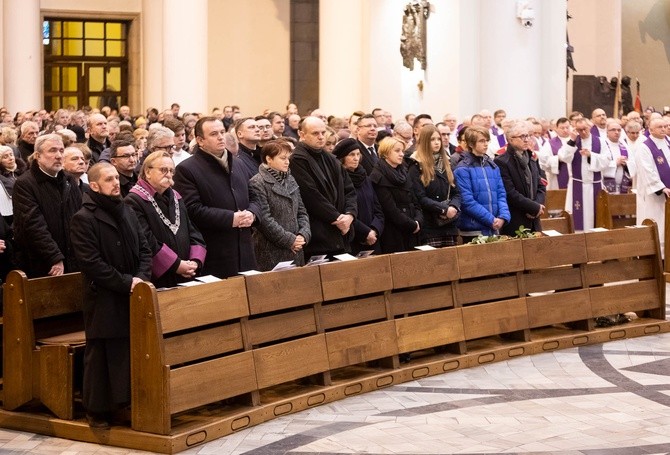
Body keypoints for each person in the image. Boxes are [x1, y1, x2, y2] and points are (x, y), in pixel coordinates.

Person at [70, 162, 151, 429]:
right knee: (103, 353)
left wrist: (140, 278)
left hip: (133, 292)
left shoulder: (126, 210)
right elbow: (91, 263)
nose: (116, 183)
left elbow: (144, 248)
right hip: (104, 296)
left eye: (116, 178)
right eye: (109, 179)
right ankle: (97, 410)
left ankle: (124, 403)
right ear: (94, 186)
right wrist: (127, 282)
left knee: (127, 350)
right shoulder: (84, 218)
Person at [173, 116, 259, 278]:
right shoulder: (187, 169)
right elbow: (192, 210)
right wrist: (230, 218)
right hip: (216, 253)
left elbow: (254, 196)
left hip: (245, 250)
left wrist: (253, 213)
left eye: (222, 132)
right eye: (213, 134)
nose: (220, 137)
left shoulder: (238, 163)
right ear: (200, 140)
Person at [125, 151, 206, 288]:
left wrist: (195, 261)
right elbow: (145, 240)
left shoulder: (176, 197)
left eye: (171, 171)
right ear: (148, 172)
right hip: (158, 277)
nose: (168, 174)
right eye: (163, 170)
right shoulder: (134, 200)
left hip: (185, 272)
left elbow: (191, 230)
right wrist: (176, 265)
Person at [12, 134, 82, 277]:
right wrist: (54, 257)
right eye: (52, 150)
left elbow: (81, 218)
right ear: (38, 155)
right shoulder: (25, 184)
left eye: (61, 151)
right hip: (43, 262)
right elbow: (33, 225)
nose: (58, 155)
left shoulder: (69, 180)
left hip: (73, 259)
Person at [290, 116, 358, 259]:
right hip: (319, 236)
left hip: (342, 232)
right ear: (302, 134)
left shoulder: (331, 158)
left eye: (322, 132)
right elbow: (311, 196)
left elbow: (349, 190)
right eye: (315, 133)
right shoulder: (297, 159)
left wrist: (350, 215)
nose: (321, 137)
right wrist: (338, 219)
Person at [248, 140, 311, 271]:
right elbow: (264, 219)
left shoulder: (290, 178)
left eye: (288, 158)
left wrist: (303, 235)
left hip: (297, 248)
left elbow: (302, 211)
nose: (287, 162)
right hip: (271, 250)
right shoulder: (257, 182)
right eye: (283, 158)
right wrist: (290, 240)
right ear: (269, 159)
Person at [454, 126, 510, 242]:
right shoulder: (463, 168)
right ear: (471, 143)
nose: (486, 144)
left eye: (486, 141)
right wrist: (491, 220)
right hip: (473, 229)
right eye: (481, 141)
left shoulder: (492, 166)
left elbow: (501, 194)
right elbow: (467, 201)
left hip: (494, 228)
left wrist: (503, 216)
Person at [408, 125, 461, 247]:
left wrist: (453, 206)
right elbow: (420, 197)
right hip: (430, 225)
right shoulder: (416, 165)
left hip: (449, 223)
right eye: (432, 140)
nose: (437, 143)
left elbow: (456, 192)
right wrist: (443, 209)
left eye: (438, 139)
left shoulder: (447, 162)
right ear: (425, 142)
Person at [370, 137, 423, 253]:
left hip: (412, 227)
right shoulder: (378, 175)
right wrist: (412, 225)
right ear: (386, 152)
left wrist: (418, 221)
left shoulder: (403, 171)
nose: (401, 154)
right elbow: (390, 209)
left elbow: (415, 201)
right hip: (394, 232)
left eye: (402, 151)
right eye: (397, 151)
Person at [558, 117, 611, 231]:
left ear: (590, 127)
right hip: (577, 186)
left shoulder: (600, 141)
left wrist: (591, 155)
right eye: (579, 129)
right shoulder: (572, 141)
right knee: (577, 219)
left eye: (585, 129)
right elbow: (563, 157)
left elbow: (607, 160)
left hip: (595, 185)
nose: (582, 132)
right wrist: (572, 141)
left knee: (596, 218)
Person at [494, 121, 546, 235]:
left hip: (534, 220)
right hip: (516, 219)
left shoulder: (531, 157)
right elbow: (510, 192)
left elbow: (541, 185)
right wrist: (532, 207)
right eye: (522, 136)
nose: (526, 139)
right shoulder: (502, 161)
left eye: (527, 135)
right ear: (511, 139)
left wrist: (536, 207)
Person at [333, 138, 384, 255]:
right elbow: (343, 212)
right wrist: (365, 232)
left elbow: (377, 208)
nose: (356, 158)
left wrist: (375, 230)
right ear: (342, 158)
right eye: (351, 155)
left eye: (358, 154)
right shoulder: (338, 180)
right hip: (353, 239)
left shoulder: (364, 177)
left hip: (373, 238)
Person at [635, 118, 670, 252]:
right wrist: (660, 187)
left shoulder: (668, 142)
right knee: (658, 223)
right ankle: (659, 256)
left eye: (665, 126)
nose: (663, 129)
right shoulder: (644, 147)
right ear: (651, 130)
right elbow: (646, 170)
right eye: (659, 127)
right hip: (656, 197)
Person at [538, 117, 571, 190]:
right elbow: (543, 161)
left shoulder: (576, 141)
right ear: (556, 128)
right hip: (557, 179)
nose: (565, 130)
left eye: (567, 127)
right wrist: (558, 159)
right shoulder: (550, 143)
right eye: (562, 128)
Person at [602, 119, 632, 194]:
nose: (616, 132)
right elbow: (599, 164)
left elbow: (633, 163)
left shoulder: (624, 146)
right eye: (613, 130)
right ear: (607, 132)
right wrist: (615, 163)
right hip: (605, 186)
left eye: (619, 130)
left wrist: (626, 164)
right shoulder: (602, 145)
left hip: (623, 186)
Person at [0, 145, 27, 225]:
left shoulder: (25, 170)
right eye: (5, 157)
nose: (11, 158)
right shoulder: (2, 178)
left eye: (11, 154)